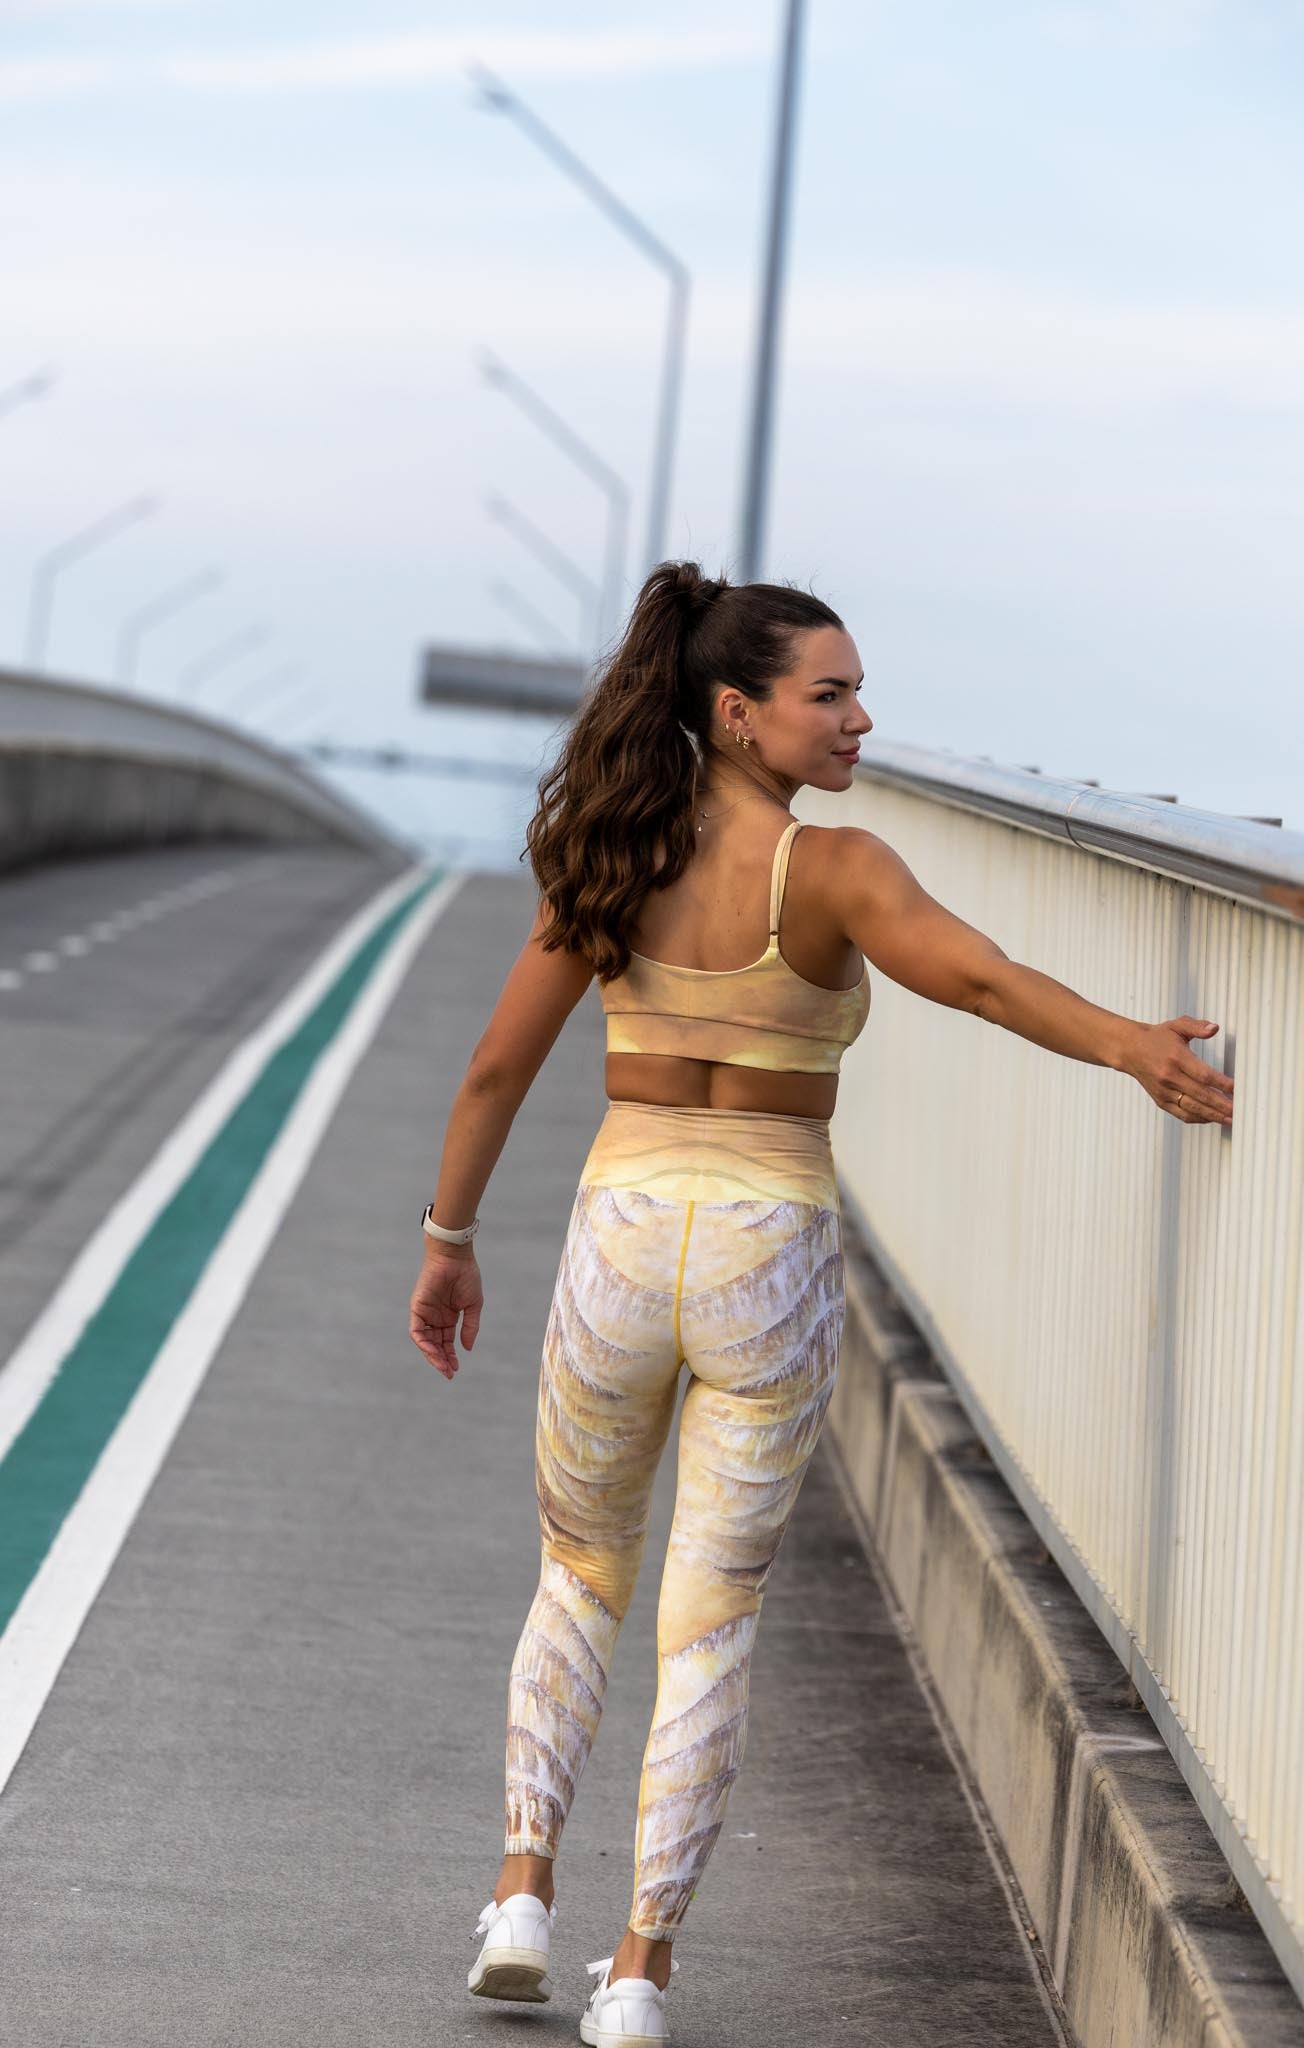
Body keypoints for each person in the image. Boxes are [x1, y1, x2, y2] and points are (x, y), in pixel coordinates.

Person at [408, 561, 1234, 2046]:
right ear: (737, 716)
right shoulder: (837, 874)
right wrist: (1132, 1050)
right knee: (708, 1620)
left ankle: (521, 1892)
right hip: (767, 1253)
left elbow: (492, 1070)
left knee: (578, 1576)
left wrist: (448, 1238)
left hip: (620, 1234)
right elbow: (975, 984)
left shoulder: (605, 853)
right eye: (829, 694)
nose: (860, 720)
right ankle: (641, 1976)